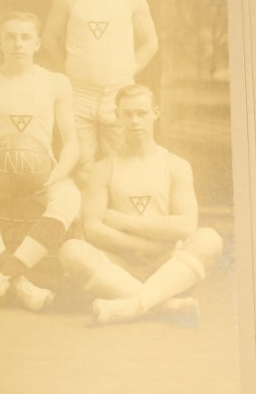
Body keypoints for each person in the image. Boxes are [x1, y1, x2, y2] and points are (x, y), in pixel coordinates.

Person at [0, 11, 81, 313]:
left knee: (69, 197)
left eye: (25, 37)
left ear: (37, 43)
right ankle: (20, 283)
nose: (17, 44)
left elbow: (72, 141)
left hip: (41, 173)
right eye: (10, 36)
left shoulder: (56, 82)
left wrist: (57, 174)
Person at [59, 84, 222, 324]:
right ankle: (165, 305)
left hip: (167, 264)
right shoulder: (103, 169)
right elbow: (92, 229)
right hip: (120, 266)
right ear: (117, 116)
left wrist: (121, 220)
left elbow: (185, 226)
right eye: (127, 114)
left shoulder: (176, 165)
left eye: (142, 113)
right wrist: (142, 245)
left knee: (209, 238)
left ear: (156, 112)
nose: (135, 121)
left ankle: (131, 306)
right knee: (71, 250)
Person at [42, 0, 159, 175]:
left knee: (119, 163)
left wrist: (128, 72)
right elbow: (49, 38)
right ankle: (86, 215)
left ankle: (112, 214)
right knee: (81, 165)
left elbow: (150, 43)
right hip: (79, 94)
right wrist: (66, 72)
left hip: (117, 93)